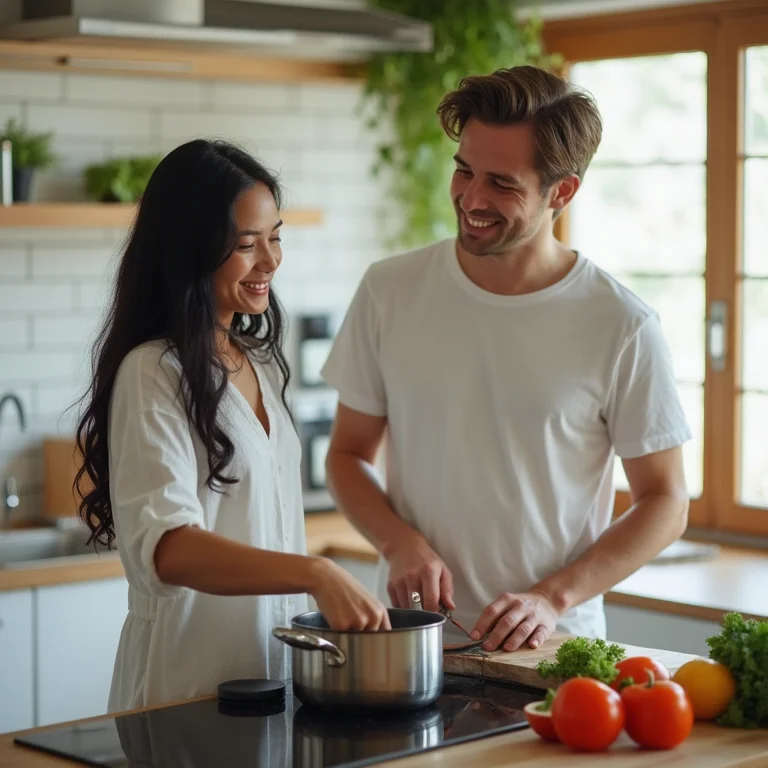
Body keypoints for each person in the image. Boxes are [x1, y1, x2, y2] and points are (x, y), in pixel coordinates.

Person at [321, 66, 691, 653]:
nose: (471, 199)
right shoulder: (390, 291)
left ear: (561, 192)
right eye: (464, 170)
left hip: (551, 649)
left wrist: (553, 596)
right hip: (409, 639)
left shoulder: (620, 324)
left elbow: (666, 501)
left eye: (502, 183)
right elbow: (346, 454)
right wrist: (398, 543)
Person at [74, 139, 389, 713]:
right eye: (248, 245)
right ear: (190, 250)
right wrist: (316, 572)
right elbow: (168, 549)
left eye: (276, 238)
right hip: (187, 689)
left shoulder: (259, 362)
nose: (271, 261)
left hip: (273, 680)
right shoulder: (153, 372)